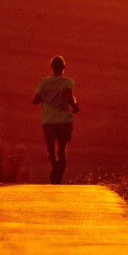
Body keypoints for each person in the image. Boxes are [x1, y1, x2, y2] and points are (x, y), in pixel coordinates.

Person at [33, 55, 79, 184]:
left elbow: (35, 100)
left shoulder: (44, 83)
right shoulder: (68, 82)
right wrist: (75, 106)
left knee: (51, 151)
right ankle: (58, 177)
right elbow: (69, 96)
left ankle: (54, 165)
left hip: (48, 121)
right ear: (64, 67)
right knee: (62, 150)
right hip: (64, 120)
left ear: (51, 67)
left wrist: (46, 97)